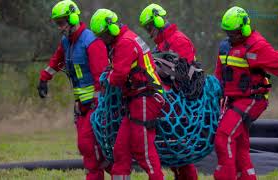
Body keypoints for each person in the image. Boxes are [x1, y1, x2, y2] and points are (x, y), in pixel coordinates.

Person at [214, 6, 278, 180]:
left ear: (245, 28)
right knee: (240, 145)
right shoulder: (225, 47)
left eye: (234, 33)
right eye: (228, 33)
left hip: (252, 99)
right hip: (233, 101)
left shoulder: (257, 46)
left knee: (223, 136)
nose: (231, 37)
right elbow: (219, 75)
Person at [37, 1, 110, 179]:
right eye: (57, 24)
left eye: (61, 23)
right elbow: (57, 60)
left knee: (89, 147)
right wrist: (44, 78)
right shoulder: (67, 41)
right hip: (82, 106)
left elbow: (101, 79)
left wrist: (96, 105)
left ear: (73, 18)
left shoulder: (91, 42)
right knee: (87, 148)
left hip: (95, 106)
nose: (60, 28)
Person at [90, 8, 165, 180]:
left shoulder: (125, 42)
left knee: (143, 149)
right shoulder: (125, 39)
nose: (102, 40)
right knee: (121, 150)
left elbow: (118, 77)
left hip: (147, 97)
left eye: (102, 35)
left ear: (111, 30)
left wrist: (107, 77)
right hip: (135, 100)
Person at [139, 3, 198, 180]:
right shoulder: (160, 46)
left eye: (149, 27)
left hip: (182, 104)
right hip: (170, 106)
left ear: (158, 22)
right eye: (146, 28)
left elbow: (185, 75)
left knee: (181, 154)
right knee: (174, 154)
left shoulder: (179, 41)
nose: (148, 32)